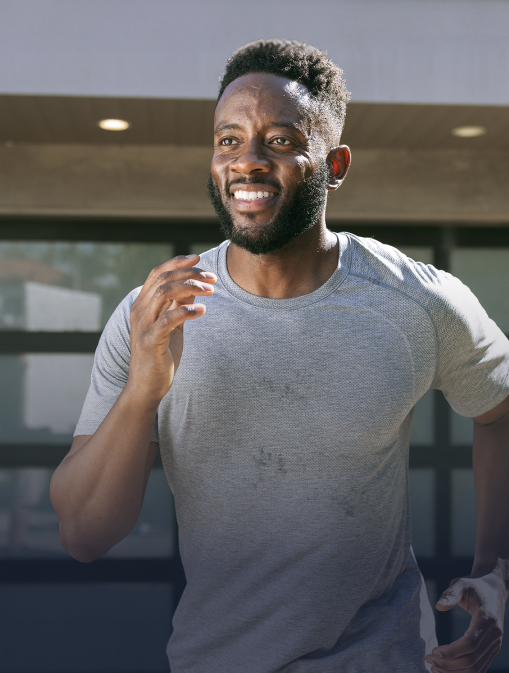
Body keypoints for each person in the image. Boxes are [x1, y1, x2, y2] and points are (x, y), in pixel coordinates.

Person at [50, 40, 509, 673]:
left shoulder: (415, 300)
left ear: (336, 163)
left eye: (282, 141)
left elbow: (501, 411)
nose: (249, 163)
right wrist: (142, 391)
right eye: (229, 141)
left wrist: (495, 573)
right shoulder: (151, 315)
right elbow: (82, 535)